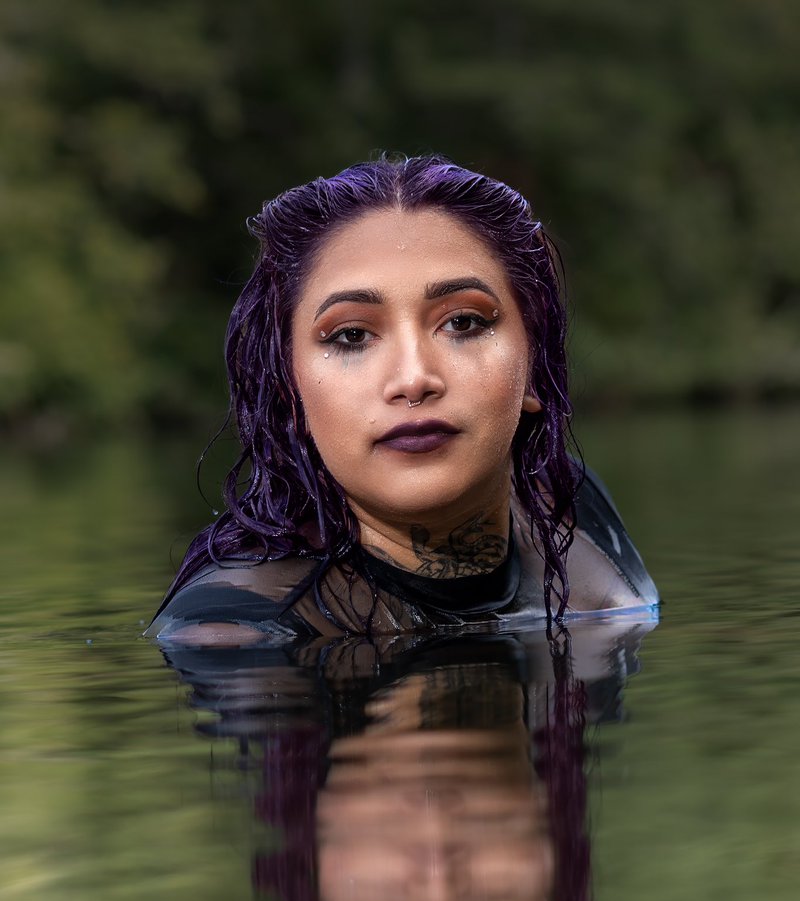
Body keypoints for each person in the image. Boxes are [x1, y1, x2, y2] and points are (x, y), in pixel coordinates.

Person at [148, 154, 658, 645]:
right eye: (351, 336)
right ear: (289, 390)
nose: (414, 379)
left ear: (533, 367)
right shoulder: (235, 631)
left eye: (464, 322)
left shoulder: (565, 496)